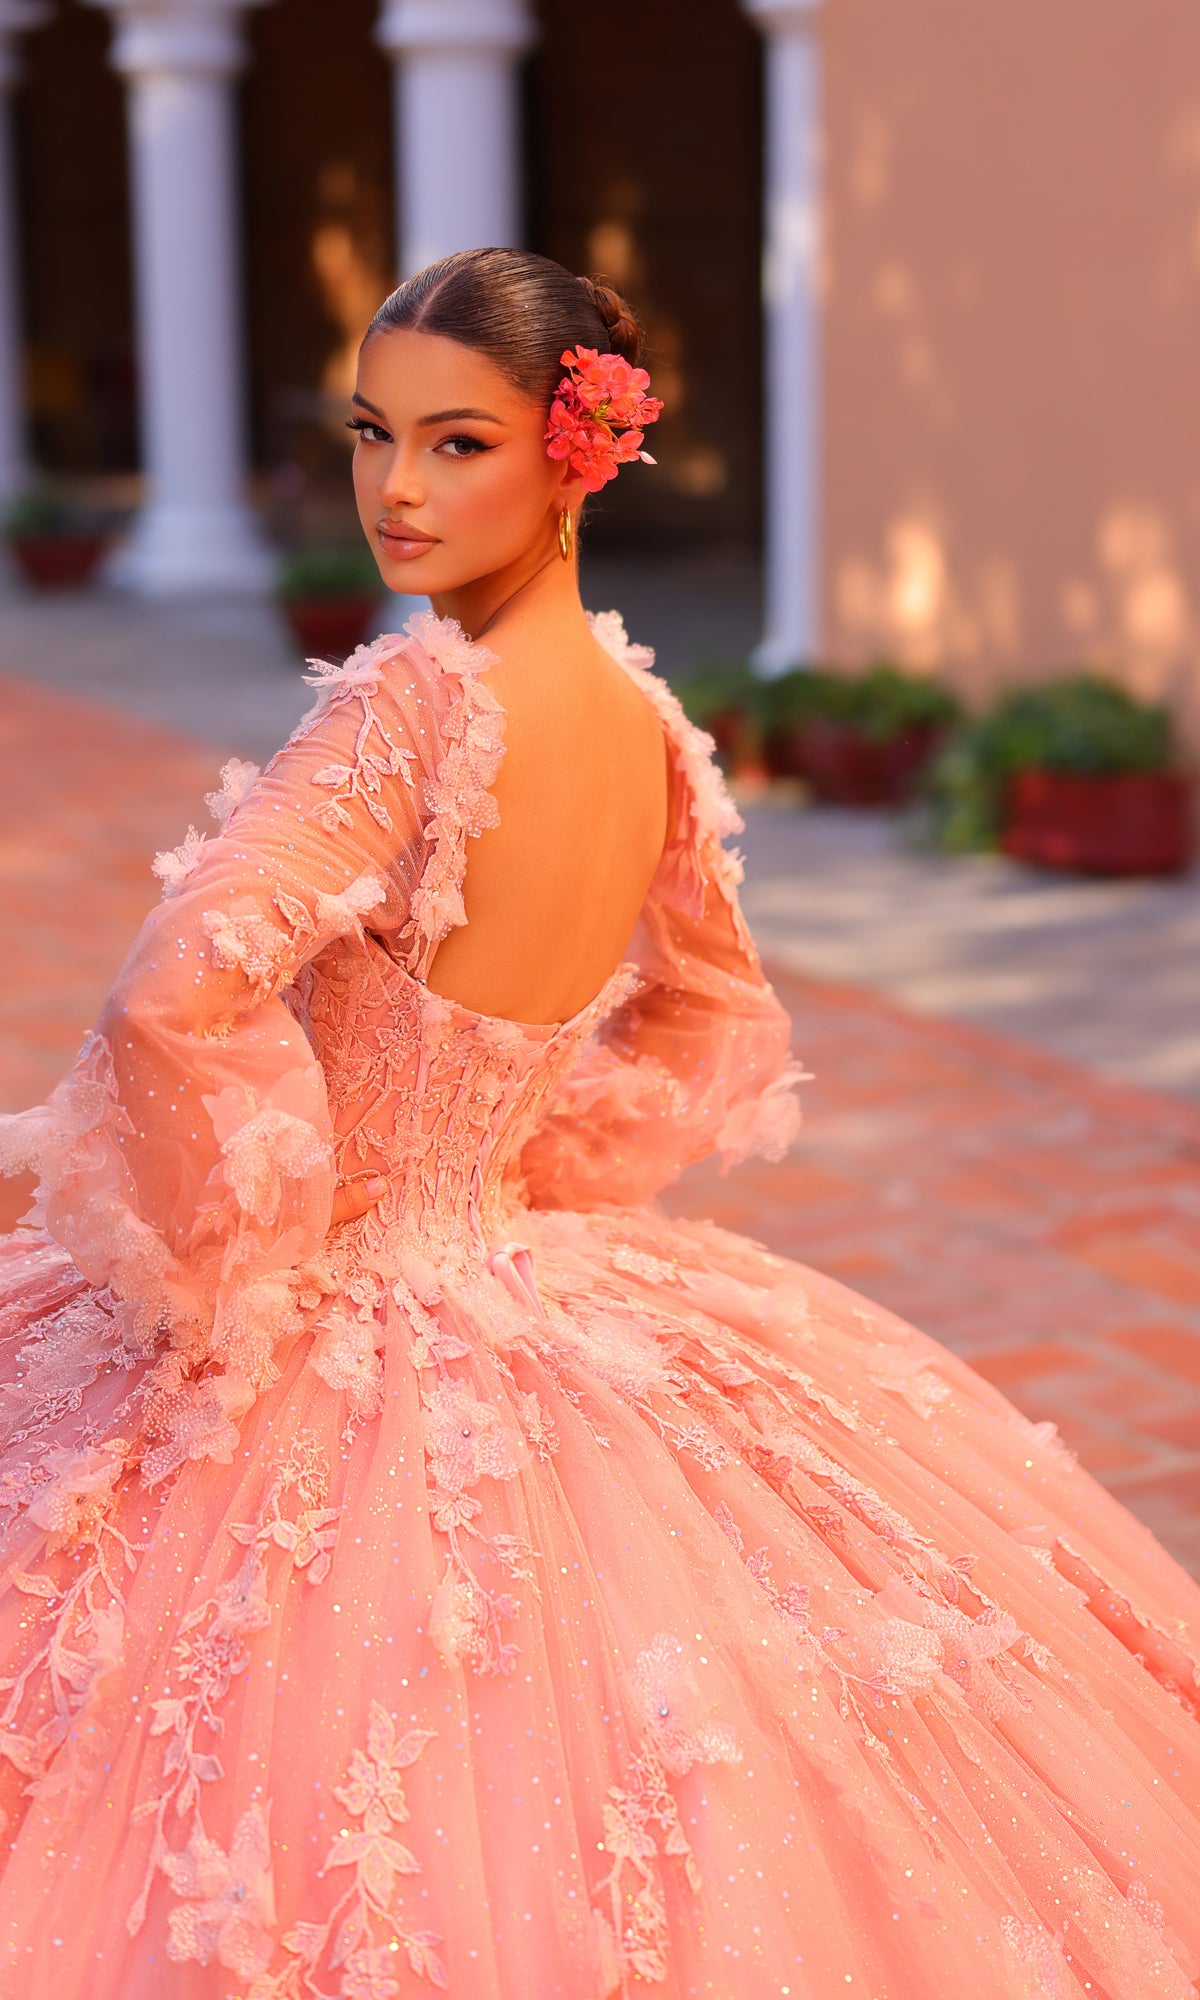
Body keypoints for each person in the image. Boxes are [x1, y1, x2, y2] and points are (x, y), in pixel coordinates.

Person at [0, 247, 1196, 2000]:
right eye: (370, 433)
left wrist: (225, 1257)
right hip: (516, 1274)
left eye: (457, 443)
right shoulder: (643, 721)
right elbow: (709, 1008)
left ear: (577, 453)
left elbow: (178, 988)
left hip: (342, 1300)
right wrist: (525, 1176)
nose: (396, 490)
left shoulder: (407, 707)